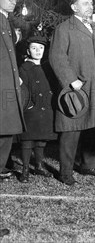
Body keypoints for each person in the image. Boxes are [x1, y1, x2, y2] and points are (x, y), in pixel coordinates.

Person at [49, 0, 95, 186]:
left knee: (92, 126)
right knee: (71, 128)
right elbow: (57, 57)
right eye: (85, 3)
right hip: (76, 87)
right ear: (74, 7)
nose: (90, 6)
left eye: (91, 3)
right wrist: (71, 80)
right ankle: (65, 171)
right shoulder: (64, 29)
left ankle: (88, 165)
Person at [17, 35, 57, 183]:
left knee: (41, 139)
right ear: (28, 50)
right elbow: (23, 89)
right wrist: (29, 104)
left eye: (41, 48)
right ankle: (25, 169)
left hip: (46, 107)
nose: (38, 51)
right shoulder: (25, 67)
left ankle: (39, 166)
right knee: (28, 140)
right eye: (34, 48)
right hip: (31, 108)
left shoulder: (47, 67)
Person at [0, 0, 25, 181]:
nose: (13, 2)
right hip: (2, 83)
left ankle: (1, 165)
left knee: (7, 126)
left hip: (8, 81)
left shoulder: (6, 20)